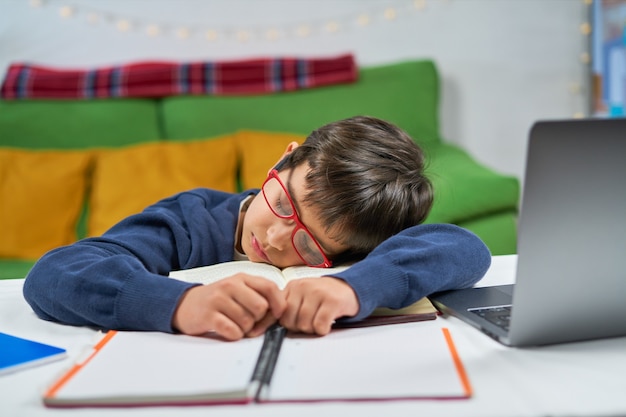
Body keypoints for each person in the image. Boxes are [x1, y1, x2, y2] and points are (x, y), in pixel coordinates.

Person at [23, 116, 491, 341]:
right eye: (282, 202)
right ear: (284, 159)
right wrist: (180, 304)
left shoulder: (355, 245)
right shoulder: (188, 221)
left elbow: (463, 247)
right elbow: (56, 273)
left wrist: (354, 288)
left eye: (308, 245)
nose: (272, 240)